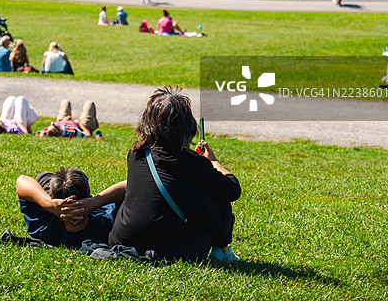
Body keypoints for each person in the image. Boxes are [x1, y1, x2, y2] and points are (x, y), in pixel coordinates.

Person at [107, 87, 241, 263]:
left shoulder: (135, 154)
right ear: (187, 126)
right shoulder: (193, 162)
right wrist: (213, 161)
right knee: (219, 197)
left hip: (123, 240)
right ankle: (222, 251)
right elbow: (232, 190)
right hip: (171, 250)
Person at [16, 168, 125, 248]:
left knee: (44, 178)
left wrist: (49, 203)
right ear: (89, 197)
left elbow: (22, 180)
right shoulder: (106, 224)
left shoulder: (44, 228)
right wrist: (95, 202)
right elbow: (130, 187)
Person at [35, 99, 101, 138]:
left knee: (65, 102)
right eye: (54, 125)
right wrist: (78, 123)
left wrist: (63, 122)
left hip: (63, 120)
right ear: (59, 130)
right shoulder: (72, 132)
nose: (52, 123)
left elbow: (40, 134)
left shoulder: (47, 131)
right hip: (80, 125)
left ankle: (63, 121)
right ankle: (91, 128)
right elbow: (88, 136)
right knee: (89, 104)